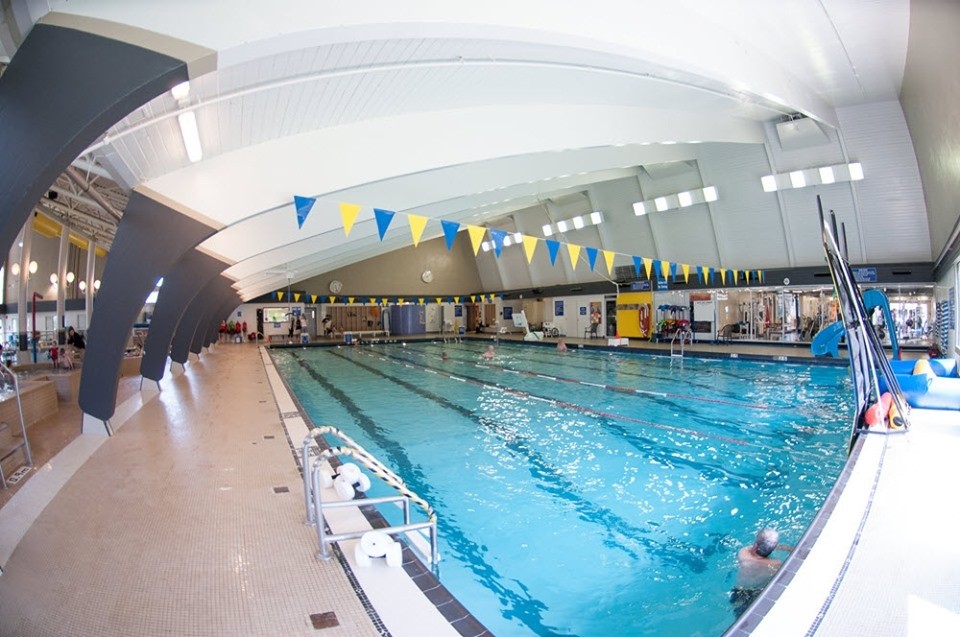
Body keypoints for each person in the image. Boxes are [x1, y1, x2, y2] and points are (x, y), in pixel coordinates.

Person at [730, 528, 793, 616]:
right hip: (757, 593)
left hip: (739, 592)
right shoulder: (776, 563)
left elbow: (753, 549)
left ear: (755, 546)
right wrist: (788, 549)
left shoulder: (744, 554)